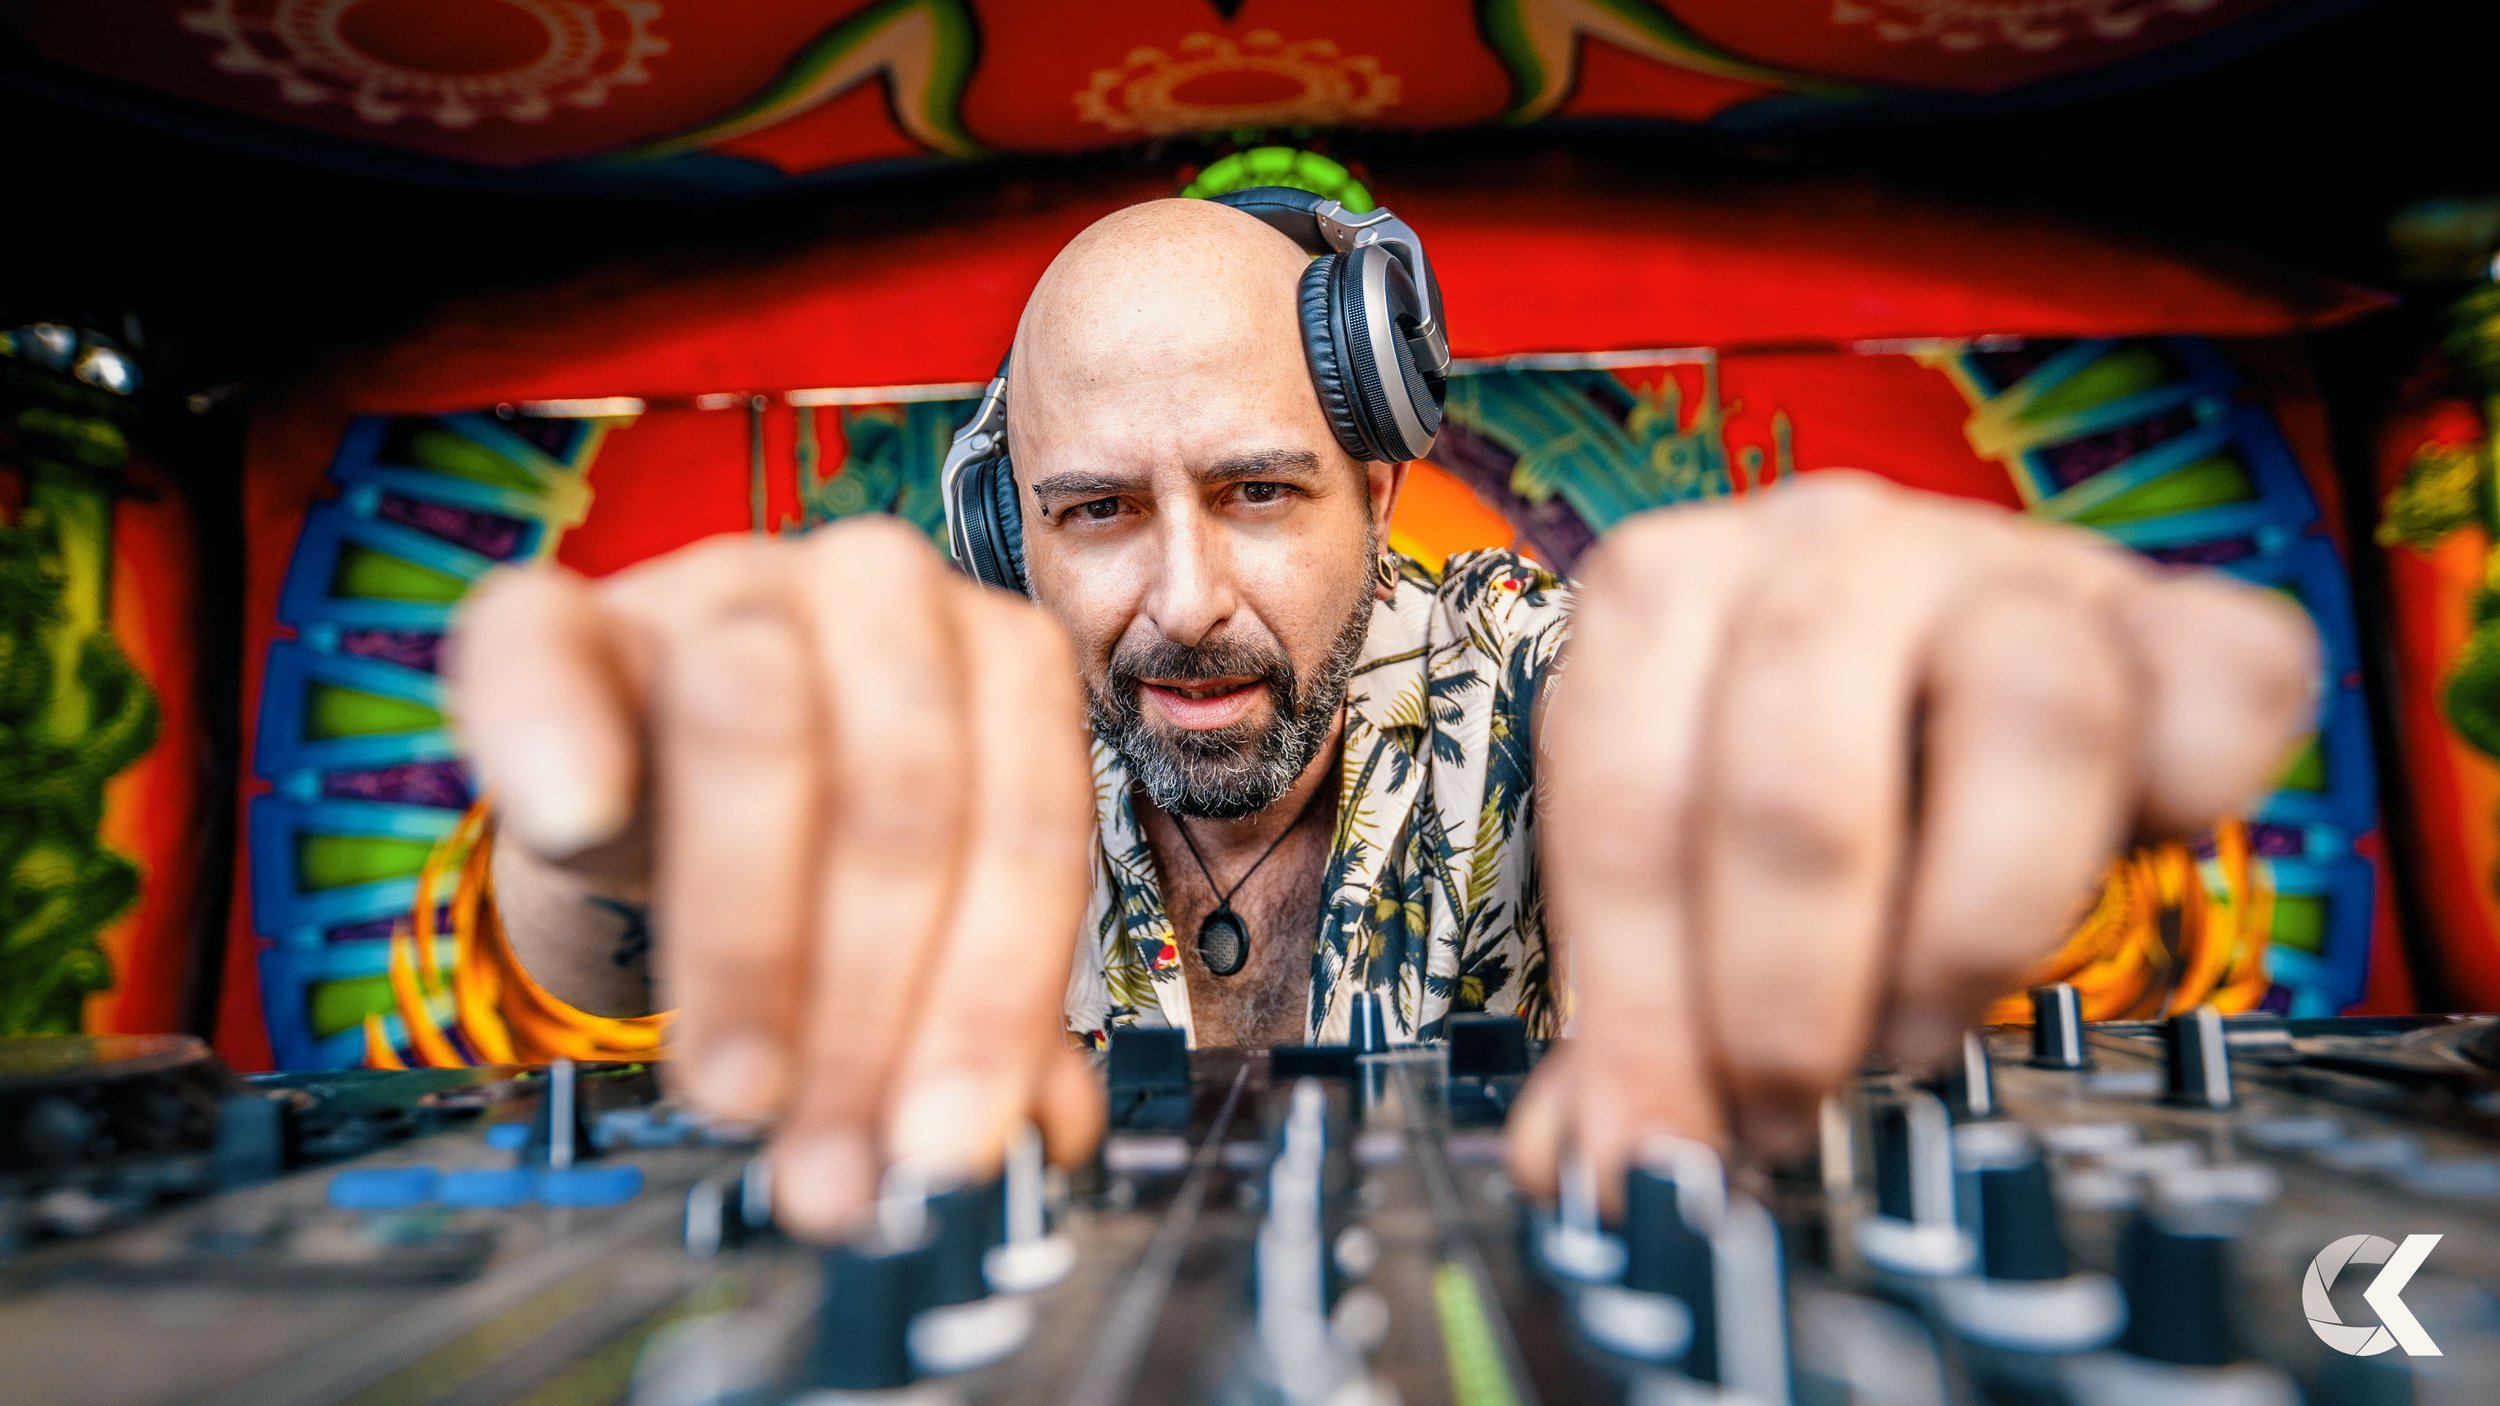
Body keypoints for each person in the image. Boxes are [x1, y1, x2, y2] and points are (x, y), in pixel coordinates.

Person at [446, 196, 2319, 1240]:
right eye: (1097, 510)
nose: (1178, 596)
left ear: (1379, 487)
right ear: (1003, 521)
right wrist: (597, 828)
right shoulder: (935, 731)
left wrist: (1936, 757)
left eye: (1259, 491)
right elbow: (568, 963)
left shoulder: (1556, 679)